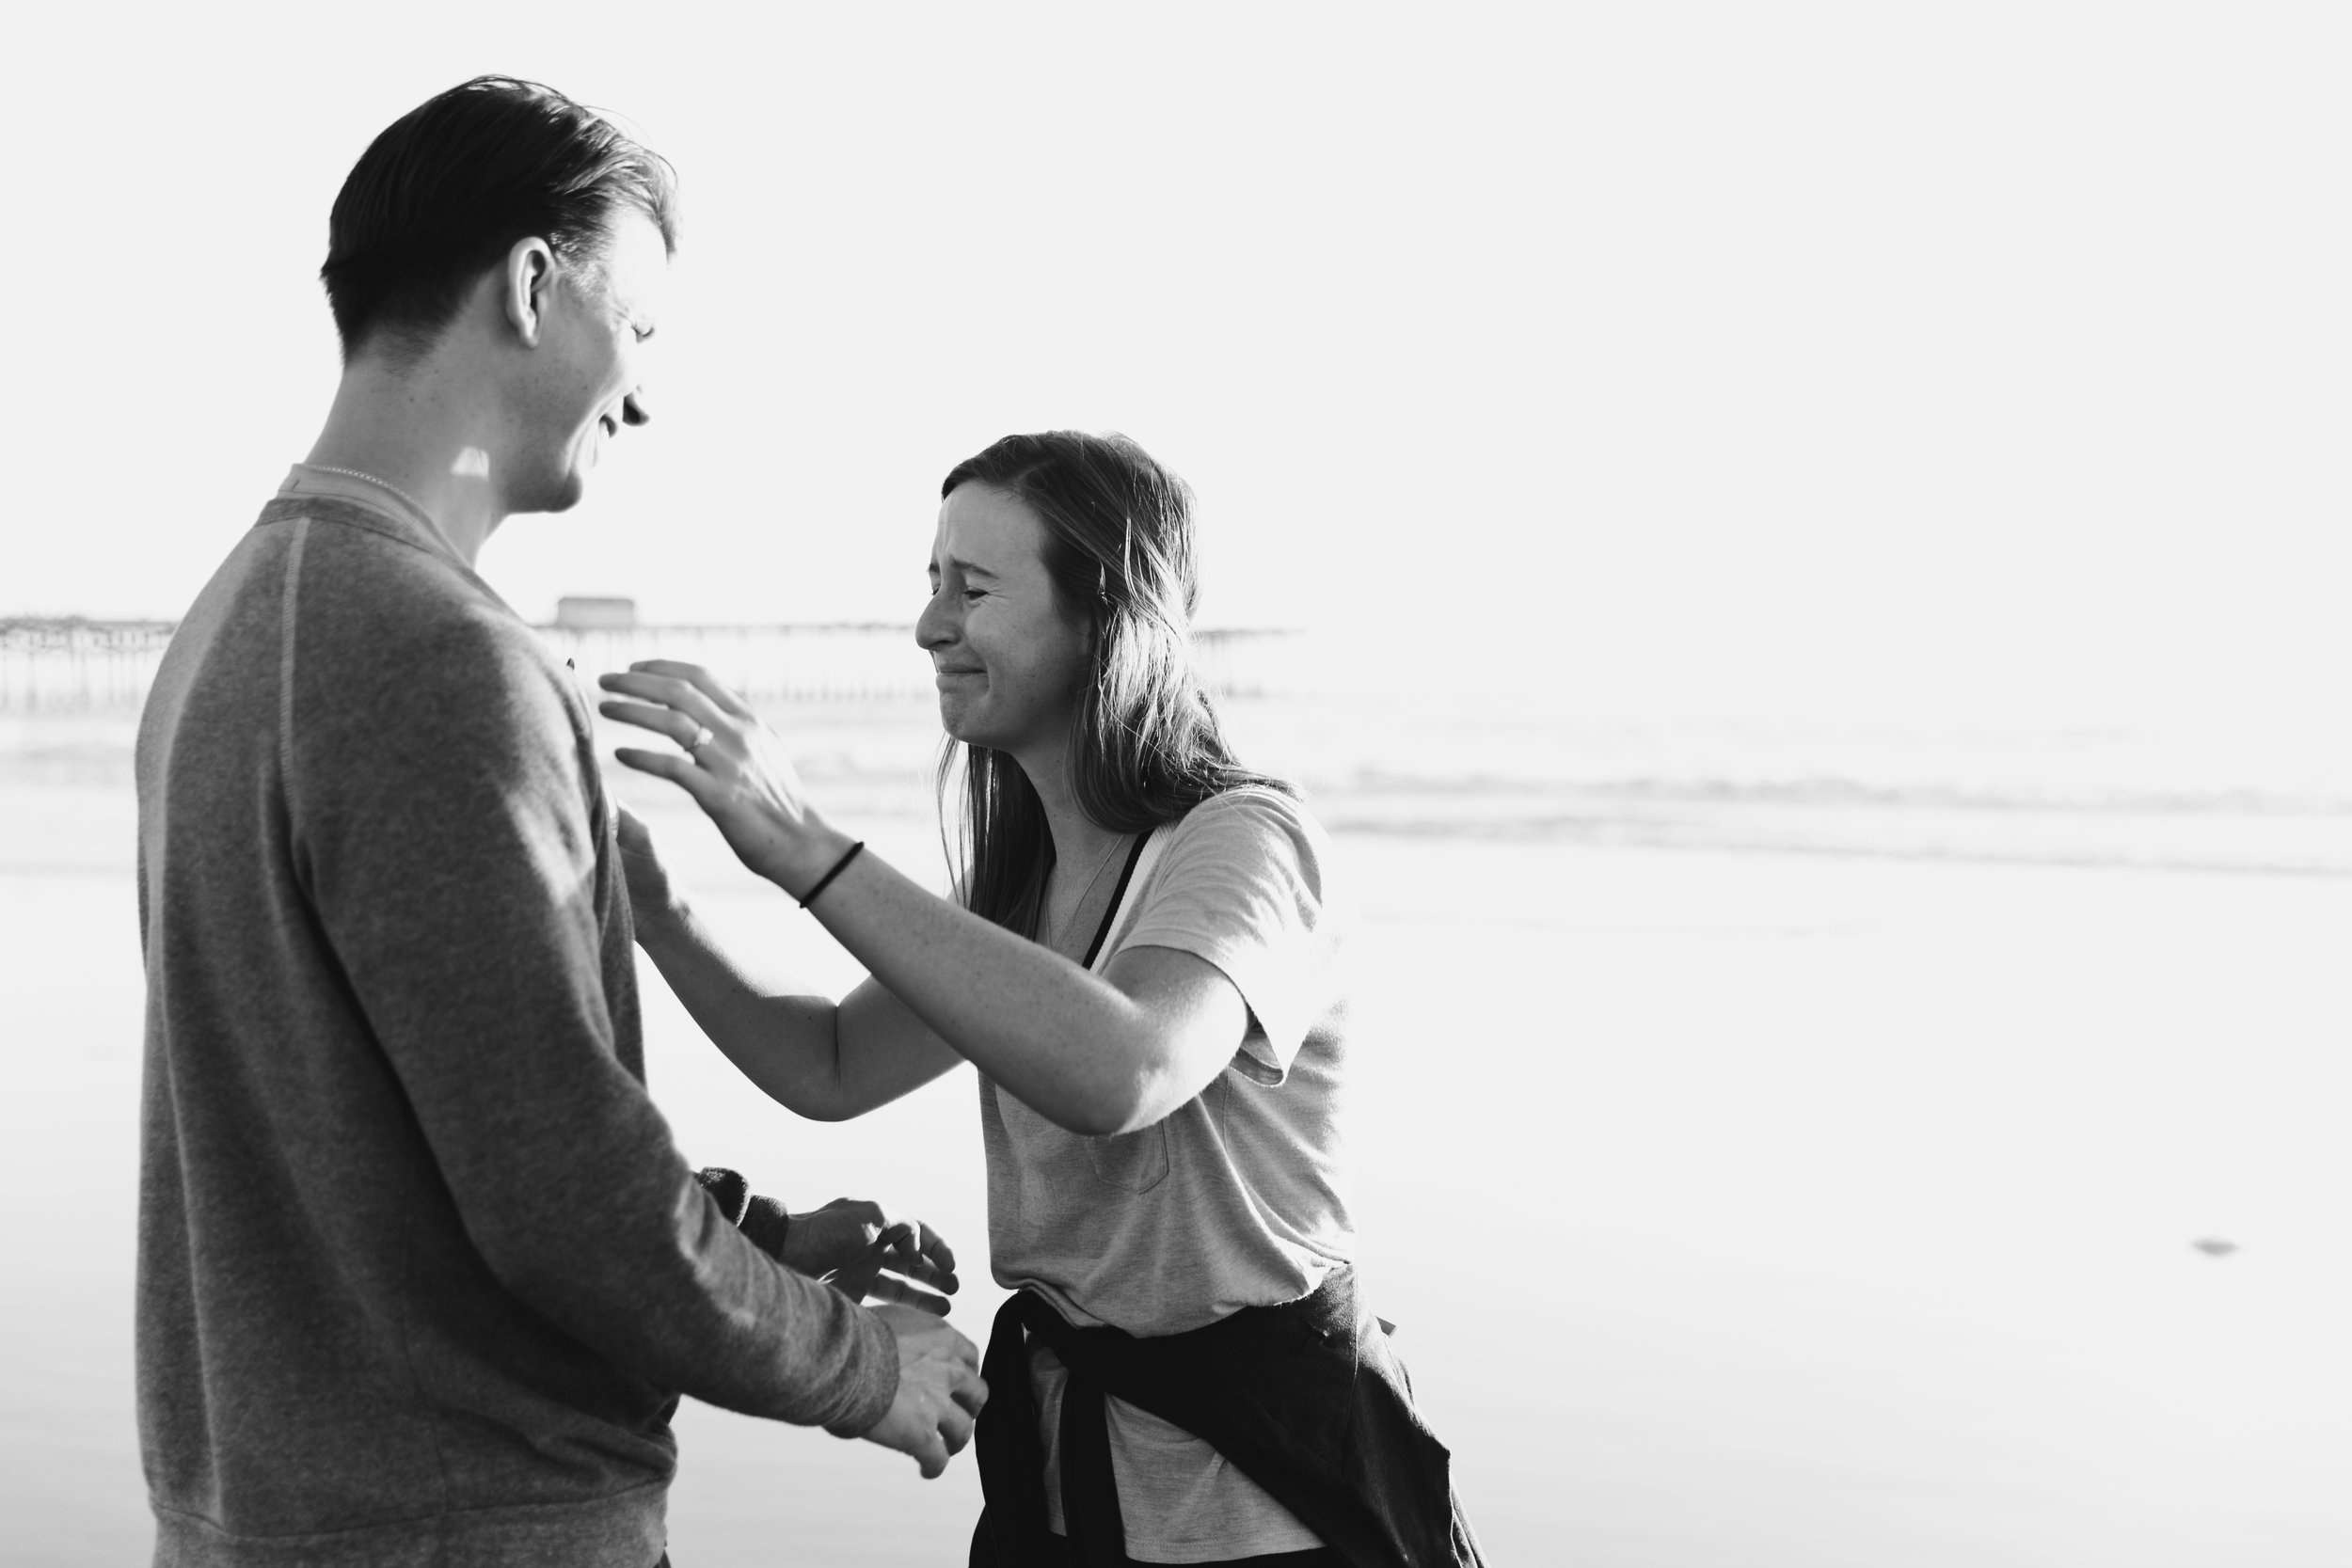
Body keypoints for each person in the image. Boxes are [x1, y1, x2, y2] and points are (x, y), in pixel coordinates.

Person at [133, 76, 983, 1568]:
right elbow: (560, 1189)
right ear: (534, 283)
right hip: (472, 1520)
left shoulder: (228, 623)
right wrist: (859, 1364)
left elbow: (401, 1122)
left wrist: (752, 1234)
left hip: (273, 1512)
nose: (647, 391)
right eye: (640, 328)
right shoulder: (439, 653)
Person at [600, 430, 1484, 1566]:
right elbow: (825, 1062)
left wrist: (805, 844)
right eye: (929, 585)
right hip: (1064, 1487)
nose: (929, 626)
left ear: (1100, 622)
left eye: (971, 589)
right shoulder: (1020, 887)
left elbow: (1122, 1070)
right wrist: (661, 909)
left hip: (1265, 1501)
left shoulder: (1245, 843)